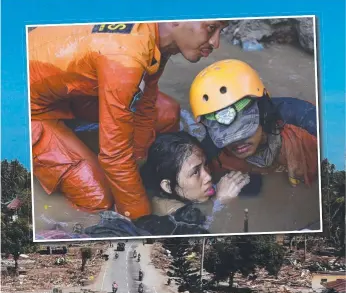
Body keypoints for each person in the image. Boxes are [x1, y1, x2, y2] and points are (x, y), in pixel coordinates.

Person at [29, 21, 228, 219]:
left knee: (167, 113)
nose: (216, 42)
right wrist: (140, 218)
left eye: (222, 30)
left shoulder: (157, 40)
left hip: (69, 92)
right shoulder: (126, 59)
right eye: (211, 28)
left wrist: (140, 165)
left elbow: (145, 105)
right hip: (29, 107)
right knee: (98, 199)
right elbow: (114, 155)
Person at [189, 60, 318, 188]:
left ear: (263, 114)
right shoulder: (212, 155)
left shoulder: (306, 128)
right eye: (227, 135)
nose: (237, 142)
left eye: (244, 130)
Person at [141, 131, 249, 217]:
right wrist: (220, 201)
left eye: (205, 164)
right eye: (195, 172)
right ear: (168, 186)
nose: (208, 176)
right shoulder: (174, 213)